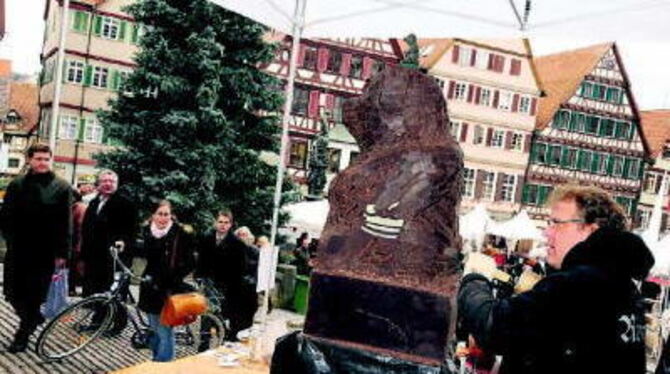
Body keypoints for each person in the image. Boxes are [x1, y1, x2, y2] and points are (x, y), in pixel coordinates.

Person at [458, 185, 654, 374]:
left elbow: (494, 327)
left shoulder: (577, 285)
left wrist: (474, 279)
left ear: (591, 230)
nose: (546, 232)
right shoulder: (626, 288)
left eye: (556, 223)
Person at [0, 143, 72, 352]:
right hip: (19, 249)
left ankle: (22, 335)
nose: (42, 163)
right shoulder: (17, 184)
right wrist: (9, 237)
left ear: (51, 160)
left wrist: (62, 253)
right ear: (30, 160)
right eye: (38, 159)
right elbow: (6, 215)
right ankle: (34, 318)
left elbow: (65, 223)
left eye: (46, 159)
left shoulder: (61, 187)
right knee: (11, 292)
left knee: (33, 294)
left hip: (45, 252)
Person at [135, 200, 195, 362]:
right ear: (153, 216)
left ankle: (165, 364)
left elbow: (190, 261)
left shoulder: (180, 233)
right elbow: (145, 253)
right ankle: (156, 359)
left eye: (166, 214)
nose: (163, 218)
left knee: (164, 328)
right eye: (159, 214)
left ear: (171, 216)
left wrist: (175, 277)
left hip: (168, 286)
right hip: (150, 285)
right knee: (154, 328)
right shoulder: (147, 231)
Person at [80, 170, 138, 297]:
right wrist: (83, 256)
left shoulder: (126, 204)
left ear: (117, 184)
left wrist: (123, 241)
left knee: (112, 298)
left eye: (112, 181)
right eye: (105, 181)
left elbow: (132, 231)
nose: (108, 184)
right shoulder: (94, 203)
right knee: (94, 297)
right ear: (99, 184)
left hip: (113, 260)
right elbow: (86, 229)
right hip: (93, 259)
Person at [195, 209, 251, 341]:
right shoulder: (206, 238)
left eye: (226, 222)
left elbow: (242, 269)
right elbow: (200, 260)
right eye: (220, 222)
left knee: (224, 318)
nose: (223, 225)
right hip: (208, 284)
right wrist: (199, 277)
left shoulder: (238, 244)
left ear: (231, 224)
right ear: (215, 222)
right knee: (206, 316)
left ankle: (224, 342)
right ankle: (204, 343)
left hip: (227, 287)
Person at [256, 236, 278, 313]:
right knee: (261, 291)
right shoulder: (261, 249)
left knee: (262, 290)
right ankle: (268, 304)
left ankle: (269, 305)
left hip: (264, 273)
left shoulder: (268, 250)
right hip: (260, 272)